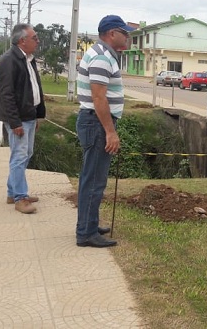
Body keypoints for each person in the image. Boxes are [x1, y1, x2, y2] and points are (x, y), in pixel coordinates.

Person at [75, 15, 134, 248]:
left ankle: (89, 224)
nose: (128, 36)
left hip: (95, 123)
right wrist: (110, 132)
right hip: (97, 124)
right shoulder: (101, 57)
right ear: (111, 33)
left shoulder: (103, 54)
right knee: (94, 180)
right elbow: (98, 97)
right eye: (124, 32)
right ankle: (86, 233)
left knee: (93, 178)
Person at [0, 23, 45, 214]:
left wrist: (37, 115)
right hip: (18, 119)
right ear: (22, 40)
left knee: (26, 154)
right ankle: (20, 198)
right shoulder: (9, 61)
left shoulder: (29, 59)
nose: (38, 40)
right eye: (35, 37)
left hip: (29, 116)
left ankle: (12, 191)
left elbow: (33, 88)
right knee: (19, 156)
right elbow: (5, 94)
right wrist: (15, 122)